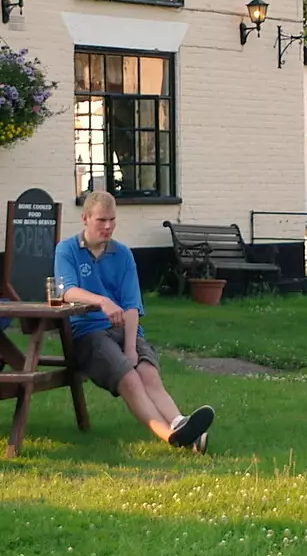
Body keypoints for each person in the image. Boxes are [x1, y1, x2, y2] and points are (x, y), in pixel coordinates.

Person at [55, 191, 214, 453]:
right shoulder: (67, 250)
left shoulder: (123, 254)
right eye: (101, 220)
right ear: (85, 218)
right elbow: (67, 291)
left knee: (147, 372)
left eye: (112, 220)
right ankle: (171, 436)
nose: (108, 227)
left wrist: (130, 347)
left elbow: (131, 305)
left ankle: (180, 424)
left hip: (123, 329)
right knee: (128, 378)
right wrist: (102, 302)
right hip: (88, 332)